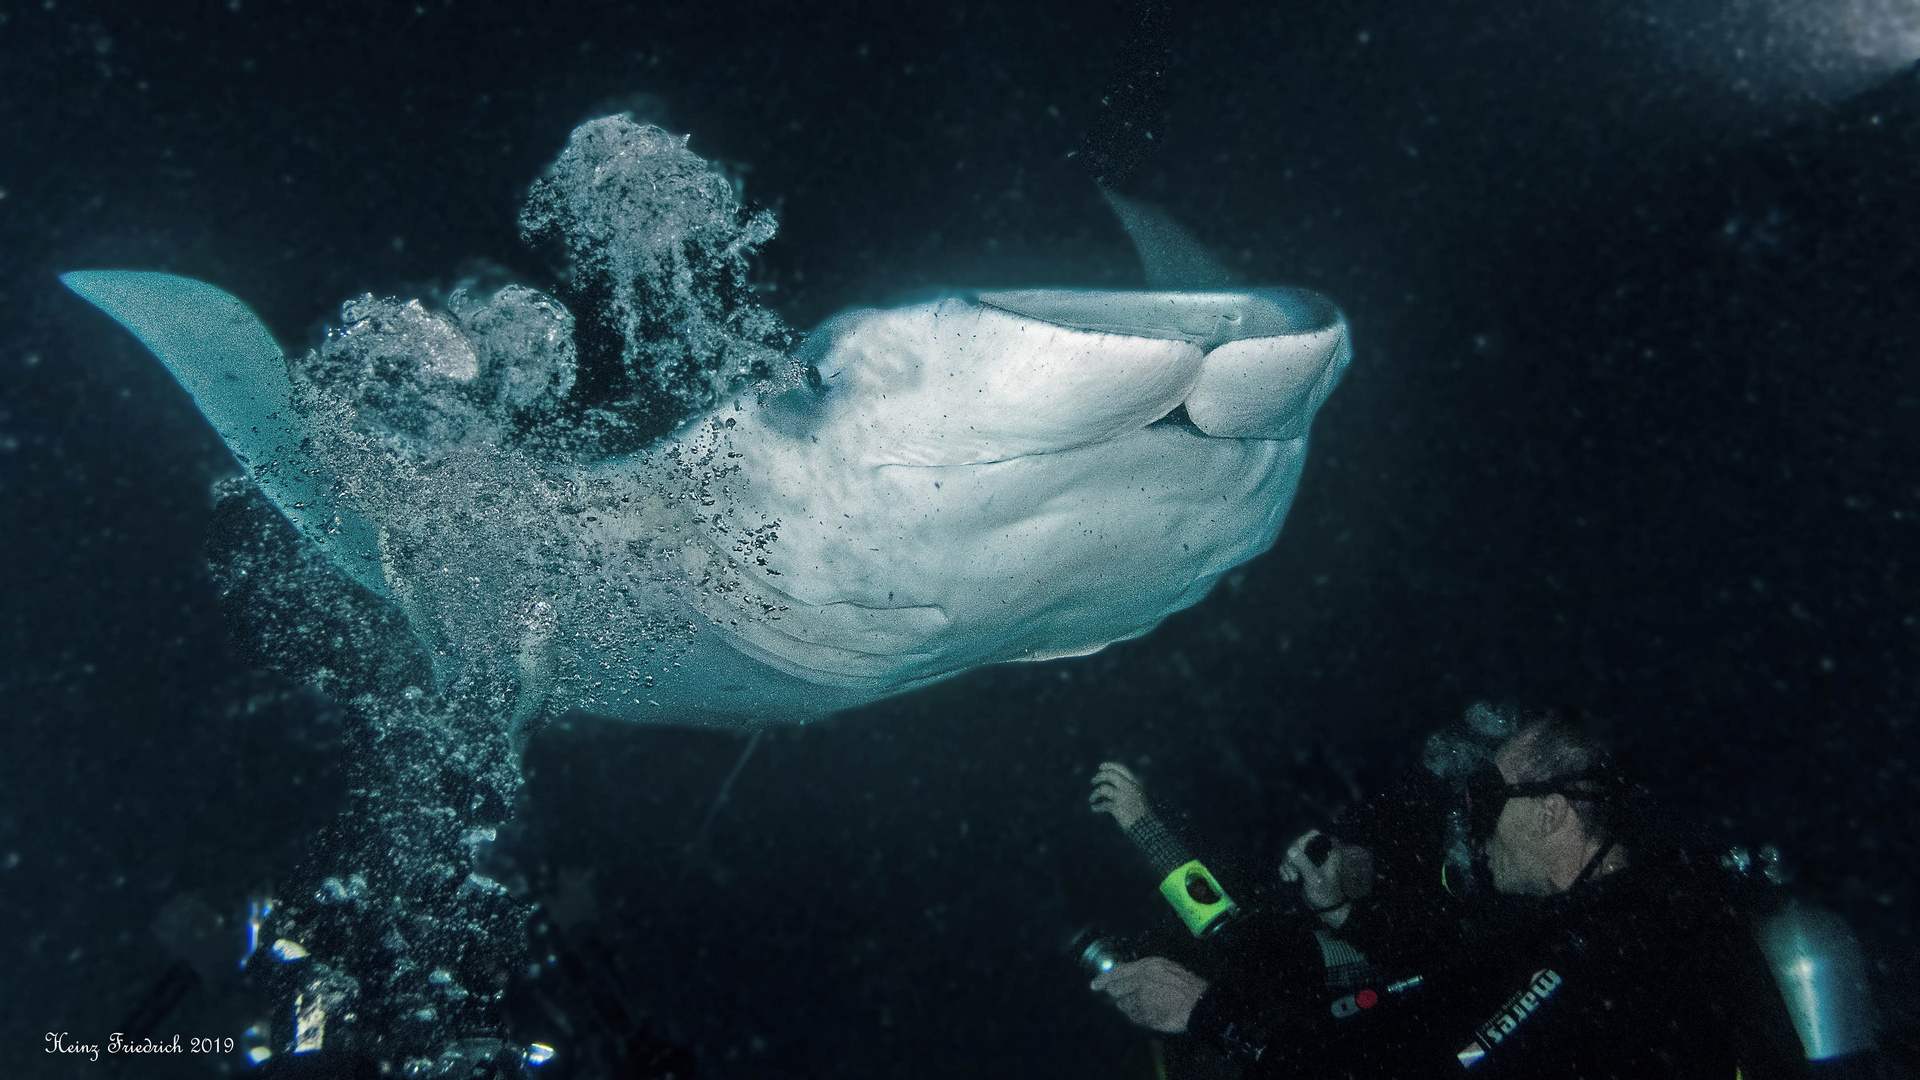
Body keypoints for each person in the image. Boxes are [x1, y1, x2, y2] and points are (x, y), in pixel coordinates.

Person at [1091, 714, 1808, 1078]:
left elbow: (1427, 1055)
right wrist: (1345, 913)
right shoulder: (1602, 921)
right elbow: (1242, 935)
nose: (1472, 817)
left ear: (1555, 811)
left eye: (1490, 795)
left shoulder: (1613, 950)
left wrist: (1214, 1015)